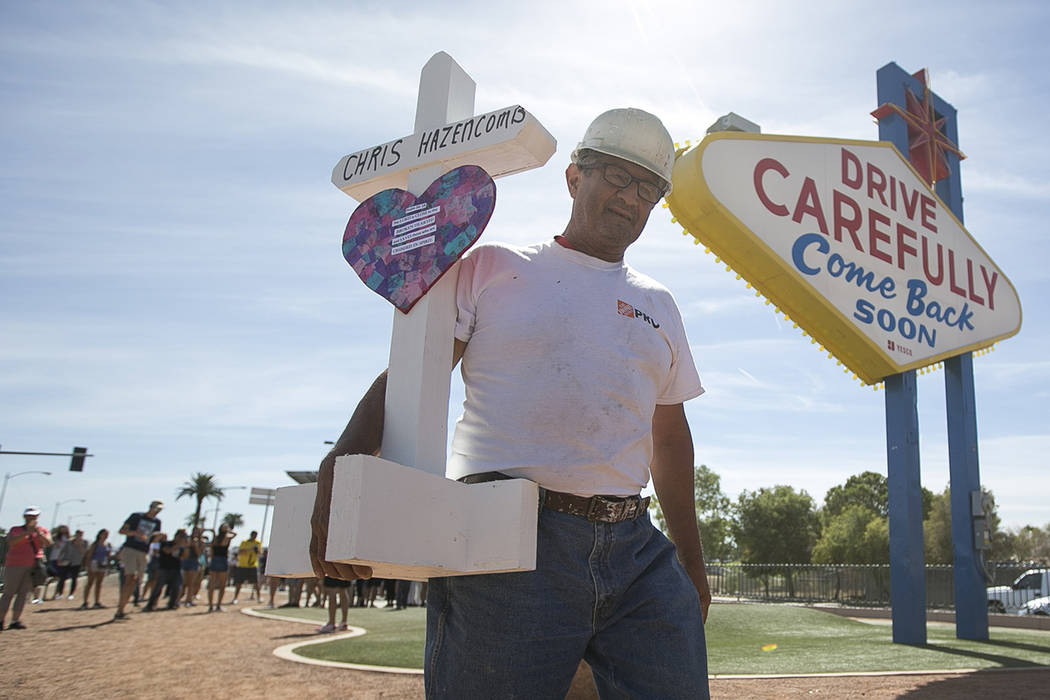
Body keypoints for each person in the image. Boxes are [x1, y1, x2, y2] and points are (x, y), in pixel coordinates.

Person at [311, 108, 711, 698]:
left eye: (648, 188)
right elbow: (414, 374)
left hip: (635, 548)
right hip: (506, 540)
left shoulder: (660, 303)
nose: (632, 199)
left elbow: (670, 439)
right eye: (617, 178)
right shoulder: (492, 267)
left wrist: (690, 562)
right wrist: (338, 466)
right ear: (575, 177)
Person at [0, 506, 52, 630]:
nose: (31, 518)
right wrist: (26, 533)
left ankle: (15, 620)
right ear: (25, 517)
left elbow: (48, 543)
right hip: (14, 564)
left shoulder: (42, 530)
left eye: (34, 516)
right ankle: (1, 620)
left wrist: (38, 534)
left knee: (23, 594)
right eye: (29, 515)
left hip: (33, 565)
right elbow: (12, 542)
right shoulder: (15, 530)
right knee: (8, 593)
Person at [114, 499, 163, 620]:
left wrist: (158, 537)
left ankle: (122, 607)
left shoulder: (157, 522)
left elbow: (151, 540)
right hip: (130, 549)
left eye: (159, 510)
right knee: (130, 577)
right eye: (156, 508)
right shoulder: (136, 516)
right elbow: (122, 531)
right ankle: (120, 609)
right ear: (150, 507)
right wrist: (135, 533)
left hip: (143, 552)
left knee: (136, 581)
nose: (157, 511)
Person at [145, 529, 187, 611]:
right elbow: (167, 551)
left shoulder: (182, 547)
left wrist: (185, 547)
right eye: (182, 536)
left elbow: (183, 557)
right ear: (177, 536)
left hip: (176, 569)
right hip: (164, 568)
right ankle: (151, 604)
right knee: (158, 587)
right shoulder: (166, 543)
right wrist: (178, 545)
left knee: (176, 587)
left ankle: (172, 603)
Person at [79, 528, 112, 609]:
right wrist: (88, 565)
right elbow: (89, 555)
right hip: (94, 563)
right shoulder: (95, 544)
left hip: (102, 564)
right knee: (90, 582)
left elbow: (108, 556)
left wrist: (108, 565)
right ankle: (85, 601)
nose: (106, 535)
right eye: (104, 534)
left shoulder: (108, 544)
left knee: (99, 583)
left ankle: (97, 601)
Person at [206, 523, 235, 612]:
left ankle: (218, 605)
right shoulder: (217, 538)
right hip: (217, 560)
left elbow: (231, 537)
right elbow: (219, 545)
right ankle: (211, 605)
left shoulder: (226, 537)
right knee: (212, 584)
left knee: (222, 585)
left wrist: (228, 531)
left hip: (221, 560)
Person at [56, 529, 88, 600]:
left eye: (81, 534)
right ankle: (60, 593)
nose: (79, 535)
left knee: (74, 578)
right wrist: (59, 559)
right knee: (62, 578)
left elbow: (83, 552)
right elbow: (63, 550)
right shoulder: (69, 542)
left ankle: (71, 594)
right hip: (66, 561)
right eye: (78, 534)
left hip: (76, 562)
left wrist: (79, 544)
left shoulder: (84, 542)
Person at [231, 530, 262, 603]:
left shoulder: (258, 543)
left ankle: (259, 597)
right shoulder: (244, 542)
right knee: (239, 582)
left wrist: (256, 551)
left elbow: (259, 553)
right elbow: (240, 552)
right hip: (242, 565)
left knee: (256, 583)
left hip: (253, 565)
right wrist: (250, 550)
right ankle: (235, 598)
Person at [179, 526, 205, 607]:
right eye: (194, 531)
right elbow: (182, 551)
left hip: (194, 561)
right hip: (185, 561)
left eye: (197, 532)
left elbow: (199, 554)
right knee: (182, 582)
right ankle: (177, 599)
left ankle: (189, 600)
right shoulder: (187, 539)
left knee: (191, 583)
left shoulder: (201, 542)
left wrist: (196, 546)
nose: (195, 533)